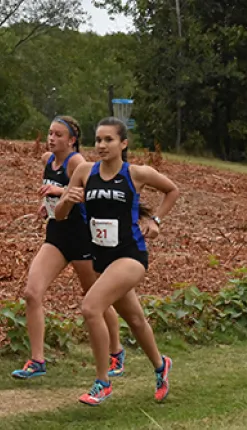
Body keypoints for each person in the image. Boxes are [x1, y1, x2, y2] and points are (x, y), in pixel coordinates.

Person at [55, 116, 179, 406]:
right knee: (135, 319)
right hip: (102, 259)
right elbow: (60, 215)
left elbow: (172, 190)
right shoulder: (85, 171)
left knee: (90, 307)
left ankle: (102, 383)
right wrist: (68, 199)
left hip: (131, 256)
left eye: (108, 140)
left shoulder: (136, 173)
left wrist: (156, 220)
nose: (101, 145)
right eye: (98, 140)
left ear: (123, 144)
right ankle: (162, 366)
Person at [12, 116, 124, 380]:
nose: (51, 139)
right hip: (57, 235)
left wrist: (60, 191)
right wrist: (48, 205)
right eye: (50, 133)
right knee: (31, 292)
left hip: (81, 238)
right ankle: (37, 360)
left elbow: (93, 195)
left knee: (95, 297)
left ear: (72, 140)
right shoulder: (47, 160)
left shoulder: (78, 163)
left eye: (58, 135)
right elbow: (58, 196)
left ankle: (116, 352)